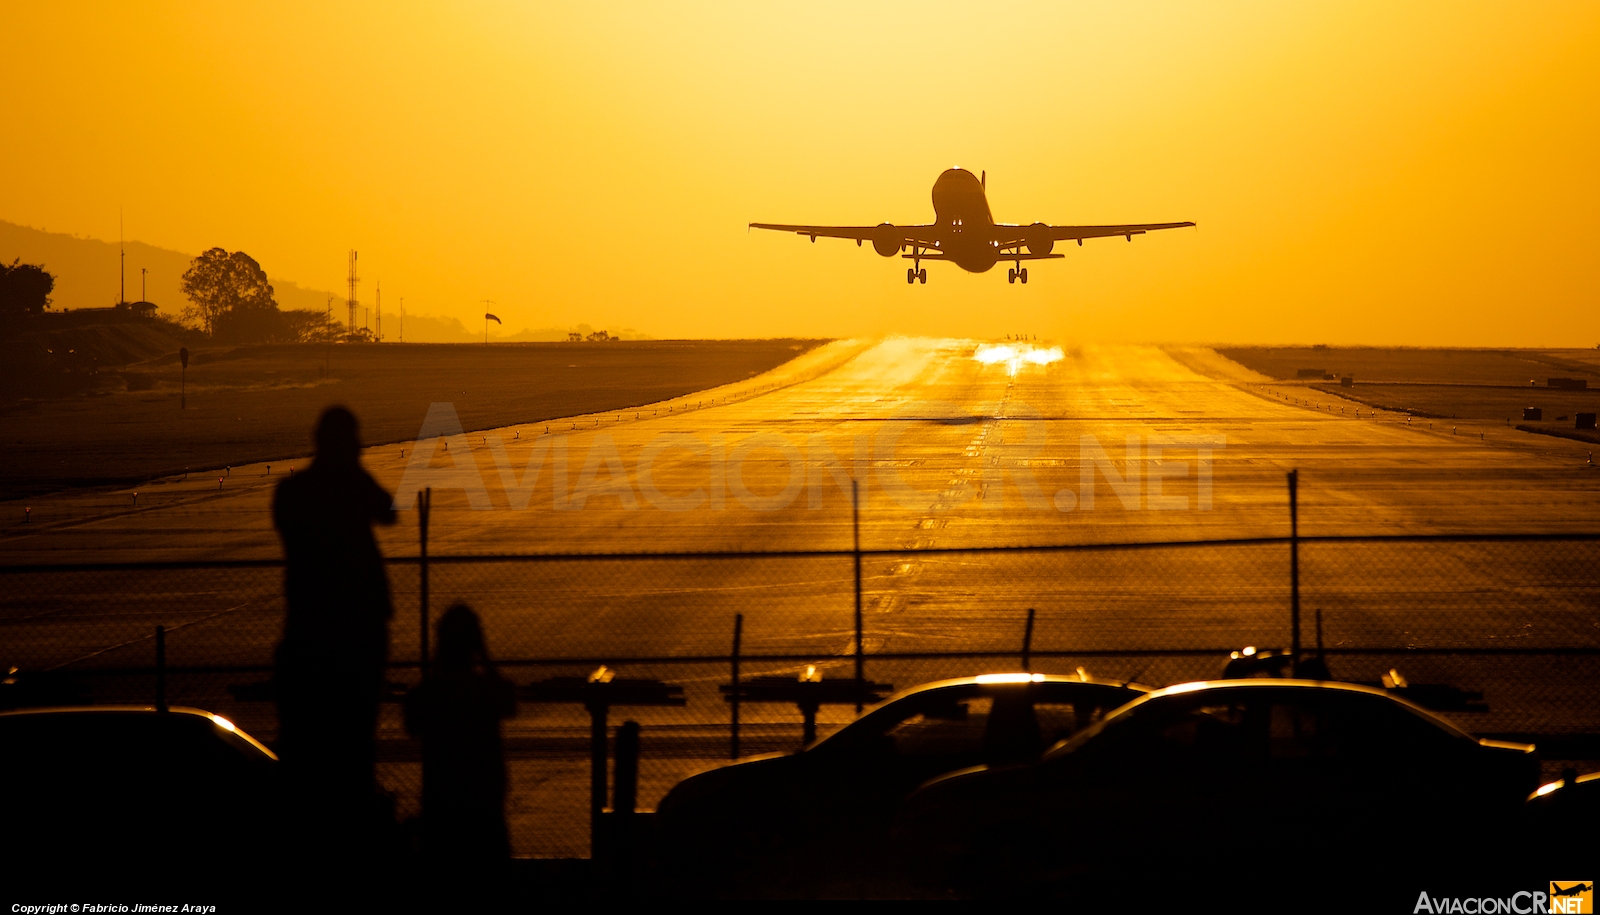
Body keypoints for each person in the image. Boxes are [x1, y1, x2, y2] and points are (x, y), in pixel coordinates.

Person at [272, 406, 397, 848]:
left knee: (305, 742)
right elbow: (389, 511)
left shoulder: (291, 491)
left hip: (307, 630)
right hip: (356, 628)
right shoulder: (349, 485)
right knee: (354, 740)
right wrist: (353, 469)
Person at [404, 603, 517, 869]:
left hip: (442, 810)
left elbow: (412, 723)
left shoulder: (429, 695)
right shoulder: (486, 691)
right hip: (484, 809)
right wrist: (486, 657)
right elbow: (509, 702)